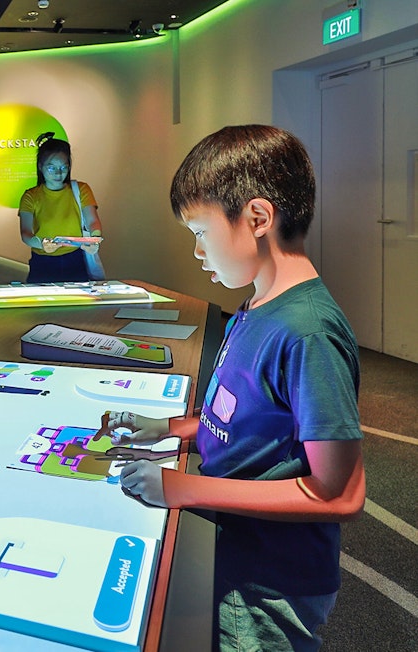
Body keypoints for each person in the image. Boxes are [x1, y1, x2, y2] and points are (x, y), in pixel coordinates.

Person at [96, 125, 365, 651]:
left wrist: (181, 488)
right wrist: (170, 430)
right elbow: (240, 417)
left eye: (200, 231)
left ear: (258, 219)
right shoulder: (255, 305)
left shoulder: (307, 330)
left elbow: (341, 492)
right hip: (233, 547)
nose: (198, 251)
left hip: (268, 584)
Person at [18, 133, 103, 283]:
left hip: (75, 259)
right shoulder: (31, 196)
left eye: (63, 167)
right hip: (43, 262)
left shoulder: (81, 189)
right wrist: (42, 244)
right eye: (52, 168)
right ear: (40, 167)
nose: (58, 173)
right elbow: (25, 233)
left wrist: (94, 240)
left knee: (78, 303)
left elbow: (92, 221)